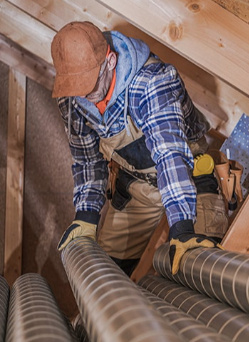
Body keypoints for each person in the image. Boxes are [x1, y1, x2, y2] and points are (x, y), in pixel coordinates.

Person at [52, 21, 227, 276]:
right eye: (75, 87)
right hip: (137, 185)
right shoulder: (72, 99)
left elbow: (170, 153)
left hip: (186, 176)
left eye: (89, 83)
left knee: (200, 269)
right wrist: (86, 214)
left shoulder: (151, 81)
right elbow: (88, 161)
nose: (83, 95)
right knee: (106, 275)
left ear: (110, 61)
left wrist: (182, 228)